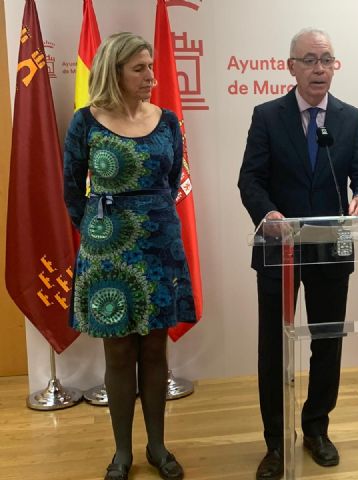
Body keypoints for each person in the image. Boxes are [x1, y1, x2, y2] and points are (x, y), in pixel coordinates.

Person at [238, 28, 358, 480]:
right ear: (291, 67)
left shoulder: (351, 118)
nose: (320, 69)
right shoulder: (267, 115)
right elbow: (250, 180)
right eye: (310, 60)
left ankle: (317, 428)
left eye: (327, 60)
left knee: (327, 341)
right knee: (274, 347)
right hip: (279, 245)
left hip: (332, 245)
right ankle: (276, 442)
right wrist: (268, 212)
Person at [63, 32, 195, 480]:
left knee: (155, 349)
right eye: (139, 68)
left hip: (160, 245)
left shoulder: (168, 122)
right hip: (108, 251)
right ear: (114, 71)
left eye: (151, 67)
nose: (151, 76)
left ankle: (157, 446)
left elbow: (172, 181)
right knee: (118, 353)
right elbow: (71, 191)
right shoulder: (86, 122)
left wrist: (146, 217)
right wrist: (102, 233)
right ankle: (122, 452)